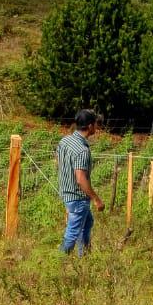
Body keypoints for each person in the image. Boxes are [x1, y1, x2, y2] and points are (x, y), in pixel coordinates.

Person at [56, 109, 104, 255]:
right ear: (90, 126)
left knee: (87, 222)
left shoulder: (65, 141)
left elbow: (58, 161)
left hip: (66, 192)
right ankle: (59, 261)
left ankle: (84, 256)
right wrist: (96, 199)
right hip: (77, 198)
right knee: (72, 233)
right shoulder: (82, 150)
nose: (97, 126)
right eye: (96, 123)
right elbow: (81, 179)